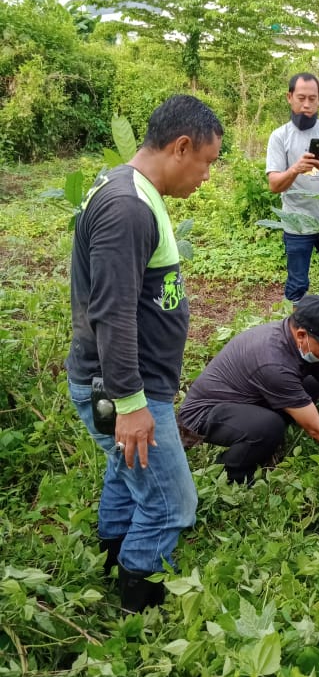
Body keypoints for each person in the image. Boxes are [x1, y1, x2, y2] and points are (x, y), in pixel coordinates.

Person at [66, 95, 223, 613]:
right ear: (181, 147)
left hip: (130, 384)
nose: (206, 177)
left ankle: (112, 563)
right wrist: (130, 405)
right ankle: (139, 609)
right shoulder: (127, 208)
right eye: (206, 163)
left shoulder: (131, 189)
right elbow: (112, 313)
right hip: (122, 389)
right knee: (172, 502)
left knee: (125, 471)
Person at [177, 295, 319, 482]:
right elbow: (315, 428)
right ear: (301, 335)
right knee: (268, 426)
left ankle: (264, 440)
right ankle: (232, 472)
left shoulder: (313, 343)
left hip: (248, 399)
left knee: (312, 385)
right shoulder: (273, 362)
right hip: (204, 415)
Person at [266, 73, 319, 308]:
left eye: (313, 99)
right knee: (297, 284)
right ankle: (296, 326)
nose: (307, 104)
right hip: (297, 224)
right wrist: (295, 169)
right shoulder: (279, 137)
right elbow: (274, 184)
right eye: (301, 98)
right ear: (289, 97)